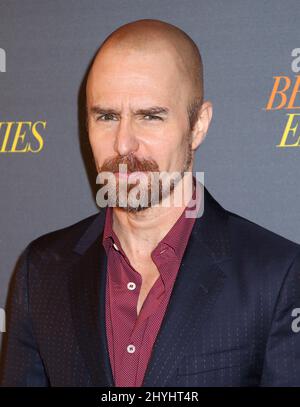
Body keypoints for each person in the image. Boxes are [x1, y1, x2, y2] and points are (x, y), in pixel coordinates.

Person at [0, 19, 299, 387]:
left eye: (150, 116)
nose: (123, 144)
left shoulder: (277, 276)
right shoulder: (42, 270)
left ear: (198, 125)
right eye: (107, 116)